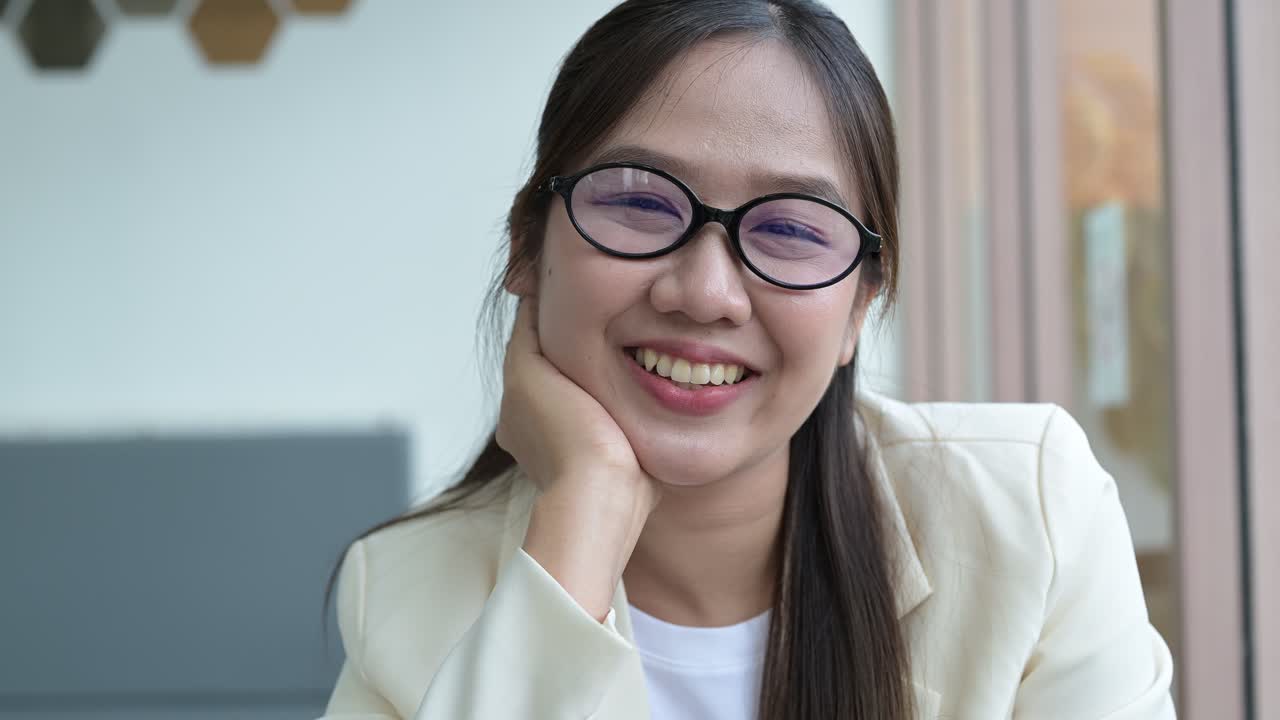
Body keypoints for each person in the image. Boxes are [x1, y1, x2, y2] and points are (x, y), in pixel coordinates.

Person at [320, 1, 1176, 718]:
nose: (705, 291)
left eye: (793, 229)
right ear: (526, 248)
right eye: (639, 202)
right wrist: (587, 507)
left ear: (860, 307)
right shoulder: (404, 595)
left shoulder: (1029, 521)